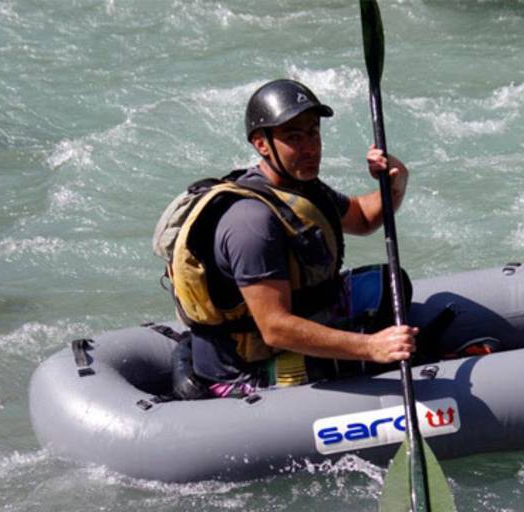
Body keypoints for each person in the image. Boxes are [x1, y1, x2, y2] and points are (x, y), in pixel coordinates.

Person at [164, 79, 419, 399]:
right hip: (243, 369)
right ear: (261, 143)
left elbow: (363, 217)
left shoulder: (299, 186)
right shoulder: (252, 223)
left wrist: (397, 179)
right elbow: (275, 328)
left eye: (313, 132)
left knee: (391, 283)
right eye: (294, 137)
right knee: (356, 363)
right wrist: (371, 347)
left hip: (288, 321)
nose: (310, 147)